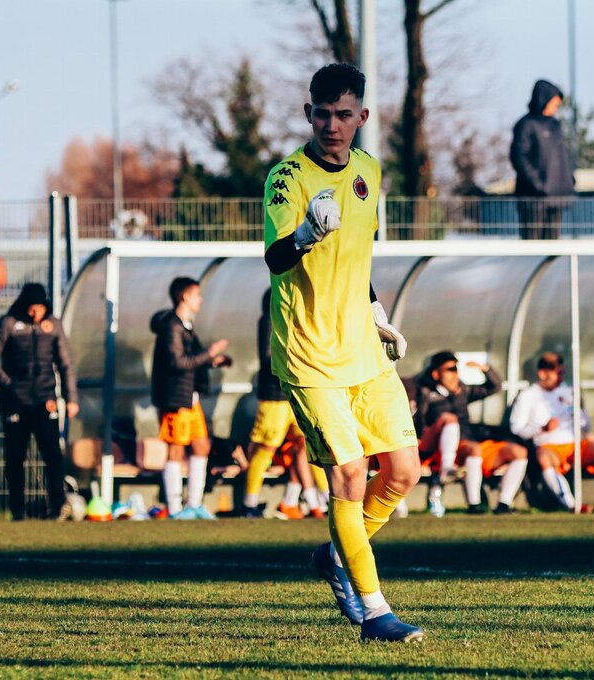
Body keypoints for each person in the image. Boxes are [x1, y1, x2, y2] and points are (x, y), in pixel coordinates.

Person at [263, 63, 423, 642]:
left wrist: (377, 313)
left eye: (343, 114)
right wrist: (306, 234)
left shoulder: (368, 171)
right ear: (309, 114)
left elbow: (357, 257)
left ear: (362, 117)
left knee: (404, 471)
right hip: (309, 355)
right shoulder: (286, 178)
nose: (332, 125)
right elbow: (276, 258)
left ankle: (336, 555)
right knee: (350, 475)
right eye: (322, 114)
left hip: (361, 345)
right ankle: (375, 613)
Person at [0, 283, 78, 520]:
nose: (36, 314)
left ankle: (58, 507)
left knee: (53, 455)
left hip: (45, 400)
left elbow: (65, 363)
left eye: (40, 309)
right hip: (15, 402)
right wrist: (8, 385)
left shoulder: (53, 326)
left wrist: (71, 398)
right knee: (15, 458)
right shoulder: (8, 324)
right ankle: (18, 511)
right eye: (32, 309)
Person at [510, 352, 594, 513]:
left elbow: (585, 427)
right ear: (542, 373)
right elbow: (516, 428)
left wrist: (579, 414)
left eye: (562, 373)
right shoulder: (528, 396)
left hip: (576, 444)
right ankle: (572, 505)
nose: (560, 378)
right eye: (557, 373)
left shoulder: (568, 392)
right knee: (544, 459)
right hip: (549, 446)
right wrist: (542, 429)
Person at [150, 277, 232, 520]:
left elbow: (191, 358)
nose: (201, 300)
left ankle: (194, 504)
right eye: (197, 295)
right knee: (176, 448)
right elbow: (177, 362)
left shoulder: (186, 326)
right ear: (184, 296)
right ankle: (175, 508)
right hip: (175, 397)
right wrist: (209, 352)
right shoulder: (172, 327)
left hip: (190, 397)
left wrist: (212, 361)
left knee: (201, 445)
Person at [244, 290, 329, 519]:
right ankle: (249, 504)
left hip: (294, 392)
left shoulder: (292, 320)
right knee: (266, 449)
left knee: (306, 446)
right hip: (274, 396)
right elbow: (269, 357)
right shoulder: (269, 319)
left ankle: (319, 500)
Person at [413, 351, 528, 515]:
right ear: (436, 374)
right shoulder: (426, 393)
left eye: (456, 369)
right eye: (450, 370)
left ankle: (504, 504)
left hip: (469, 443)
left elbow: (495, 387)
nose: (455, 374)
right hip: (439, 449)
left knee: (519, 452)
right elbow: (419, 421)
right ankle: (473, 504)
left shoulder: (463, 391)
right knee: (451, 421)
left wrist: (485, 369)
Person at [510, 79, 576, 240]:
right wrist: (539, 184)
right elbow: (519, 157)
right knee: (532, 244)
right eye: (554, 103)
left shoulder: (555, 126)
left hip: (557, 196)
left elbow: (563, 156)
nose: (556, 107)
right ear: (544, 99)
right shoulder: (526, 125)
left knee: (552, 244)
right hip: (533, 198)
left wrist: (569, 180)